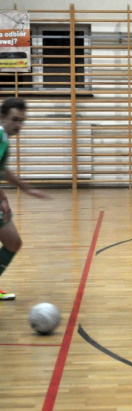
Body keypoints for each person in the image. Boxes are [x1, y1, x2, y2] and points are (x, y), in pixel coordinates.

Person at [0, 97, 49, 300]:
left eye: (22, 121)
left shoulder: (3, 138)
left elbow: (2, 170)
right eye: (15, 119)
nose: (19, 125)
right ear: (2, 117)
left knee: (13, 242)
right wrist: (2, 197)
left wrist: (27, 189)